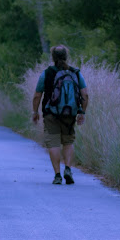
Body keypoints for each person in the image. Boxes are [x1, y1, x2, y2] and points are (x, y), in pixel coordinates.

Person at [32, 45, 89, 184]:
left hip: (51, 114)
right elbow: (85, 95)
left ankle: (57, 175)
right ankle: (68, 169)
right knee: (68, 142)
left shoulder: (47, 73)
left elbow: (37, 95)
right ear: (66, 56)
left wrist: (35, 112)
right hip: (69, 114)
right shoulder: (75, 73)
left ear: (52, 57)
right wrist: (82, 112)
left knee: (53, 144)